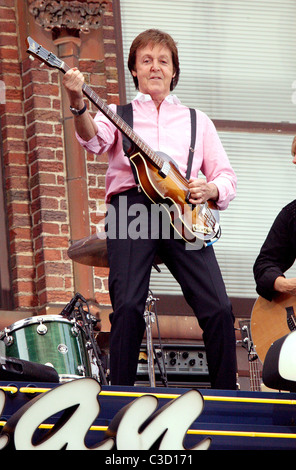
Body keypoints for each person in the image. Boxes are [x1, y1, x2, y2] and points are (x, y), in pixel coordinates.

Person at [62, 29, 237, 389]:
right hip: (131, 210)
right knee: (126, 306)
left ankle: (225, 396)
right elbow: (92, 140)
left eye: (163, 61)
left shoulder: (197, 121)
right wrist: (79, 102)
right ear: (135, 71)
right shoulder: (117, 113)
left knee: (219, 307)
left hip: (185, 213)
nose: (155, 67)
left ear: (174, 71)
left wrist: (210, 188)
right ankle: (118, 395)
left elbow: (226, 177)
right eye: (146, 60)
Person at [254, 129, 296, 301]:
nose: (294, 160)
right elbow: (264, 265)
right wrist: (287, 286)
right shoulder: (293, 213)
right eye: (294, 153)